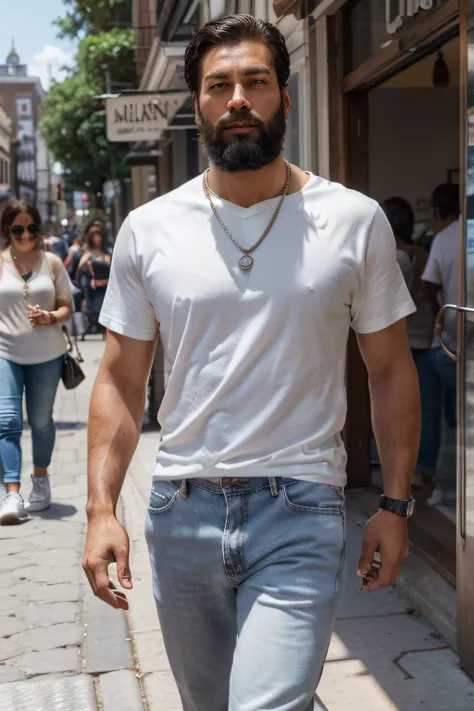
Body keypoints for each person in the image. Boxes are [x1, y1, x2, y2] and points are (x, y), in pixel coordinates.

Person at [83, 15, 420, 710]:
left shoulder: (354, 221)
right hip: (181, 509)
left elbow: (389, 369)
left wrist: (395, 501)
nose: (238, 97)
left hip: (300, 505)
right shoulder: (149, 228)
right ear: (199, 105)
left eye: (256, 82)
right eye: (219, 85)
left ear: (286, 100)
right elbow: (119, 376)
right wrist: (99, 509)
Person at [0, 200, 72, 525]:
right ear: (7, 230)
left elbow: (66, 307)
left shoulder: (53, 263)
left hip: (47, 354)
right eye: (18, 228)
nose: (26, 234)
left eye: (32, 227)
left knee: (41, 421)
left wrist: (50, 317)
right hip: (5, 353)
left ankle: (40, 480)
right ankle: (12, 493)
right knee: (7, 420)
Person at [381, 198, 436, 488]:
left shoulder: (396, 257)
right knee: (423, 410)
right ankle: (423, 473)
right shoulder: (418, 253)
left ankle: (404, 473)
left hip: (403, 340)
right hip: (423, 336)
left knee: (399, 409)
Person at [421, 183, 460, 506]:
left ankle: (432, 483)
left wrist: (439, 318)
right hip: (461, 345)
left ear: (436, 211)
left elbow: (428, 288)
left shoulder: (444, 240)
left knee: (433, 414)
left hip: (447, 343)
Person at [77, 222, 110, 337]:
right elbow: (79, 273)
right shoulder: (85, 254)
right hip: (90, 286)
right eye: (94, 235)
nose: (97, 238)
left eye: (99, 235)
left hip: (105, 284)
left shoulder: (107, 253)